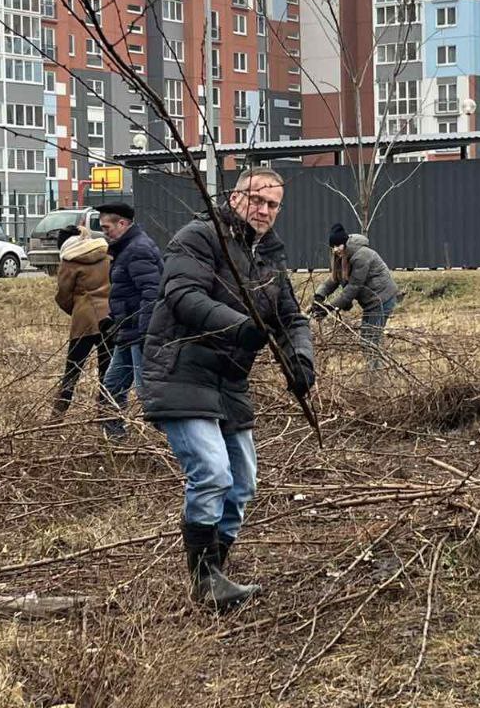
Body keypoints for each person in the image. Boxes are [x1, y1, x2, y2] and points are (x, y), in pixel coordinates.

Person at [142, 168, 315, 612]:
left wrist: (300, 358)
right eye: (255, 200)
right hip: (180, 372)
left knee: (242, 484)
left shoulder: (268, 260)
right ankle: (204, 580)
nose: (263, 210)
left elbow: (291, 319)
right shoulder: (199, 236)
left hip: (228, 382)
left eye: (272, 205)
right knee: (213, 472)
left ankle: (211, 575)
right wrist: (242, 328)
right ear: (235, 197)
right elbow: (182, 294)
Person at [97, 202, 163, 439]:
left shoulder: (137, 249)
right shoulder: (127, 249)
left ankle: (173, 440)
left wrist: (146, 331)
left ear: (122, 224)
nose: (105, 233)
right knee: (112, 387)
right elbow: (128, 292)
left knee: (147, 393)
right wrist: (113, 320)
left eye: (107, 228)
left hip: (140, 332)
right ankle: (115, 441)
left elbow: (151, 292)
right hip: (127, 331)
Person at [312, 223, 399, 369]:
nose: (335, 250)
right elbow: (334, 279)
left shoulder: (361, 256)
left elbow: (353, 287)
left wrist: (329, 307)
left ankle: (377, 377)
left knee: (371, 341)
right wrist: (319, 296)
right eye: (332, 246)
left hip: (382, 299)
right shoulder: (340, 255)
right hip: (372, 302)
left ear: (345, 243)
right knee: (366, 340)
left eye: (338, 245)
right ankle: (374, 373)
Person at [51, 225, 112, 420]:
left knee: (73, 369)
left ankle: (58, 415)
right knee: (107, 369)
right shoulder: (106, 255)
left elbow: (63, 296)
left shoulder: (70, 262)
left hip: (84, 320)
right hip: (110, 319)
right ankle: (106, 413)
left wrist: (77, 310)